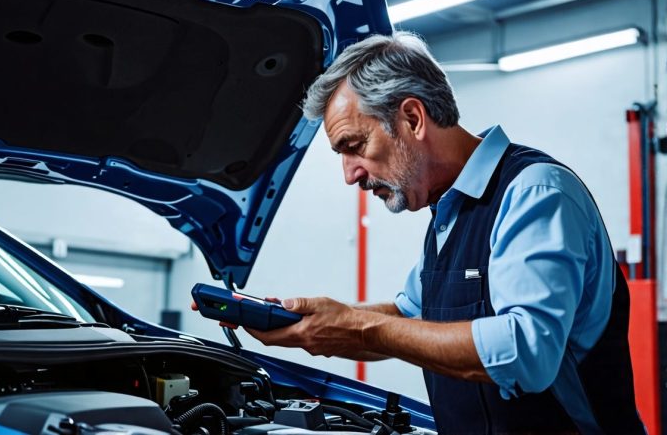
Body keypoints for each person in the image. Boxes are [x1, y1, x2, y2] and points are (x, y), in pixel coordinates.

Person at [242, 32, 644, 434]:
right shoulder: (448, 212)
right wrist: (307, 324)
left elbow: (526, 353)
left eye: (354, 146)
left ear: (413, 119)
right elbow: (409, 316)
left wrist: (355, 325)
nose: (350, 175)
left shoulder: (535, 193)